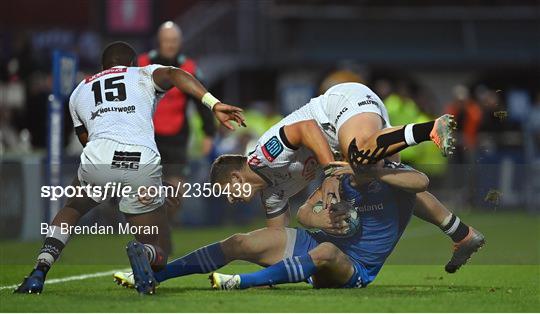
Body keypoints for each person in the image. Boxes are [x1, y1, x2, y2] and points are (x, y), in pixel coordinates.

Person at [14, 41, 245, 295]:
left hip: (99, 157)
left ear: (103, 66)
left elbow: (85, 138)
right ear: (133, 64)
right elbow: (175, 74)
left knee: (73, 207)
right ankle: (144, 252)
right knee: (158, 247)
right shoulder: (143, 73)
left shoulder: (80, 90)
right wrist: (212, 103)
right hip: (141, 162)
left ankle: (40, 270)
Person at [138, 21, 216, 222]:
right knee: (145, 190)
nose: (170, 45)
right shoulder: (142, 63)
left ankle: (165, 224)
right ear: (159, 42)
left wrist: (209, 133)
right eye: (166, 41)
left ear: (179, 42)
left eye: (174, 41)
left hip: (177, 138)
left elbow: (202, 100)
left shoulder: (189, 68)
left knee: (176, 191)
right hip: (147, 137)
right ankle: (146, 226)